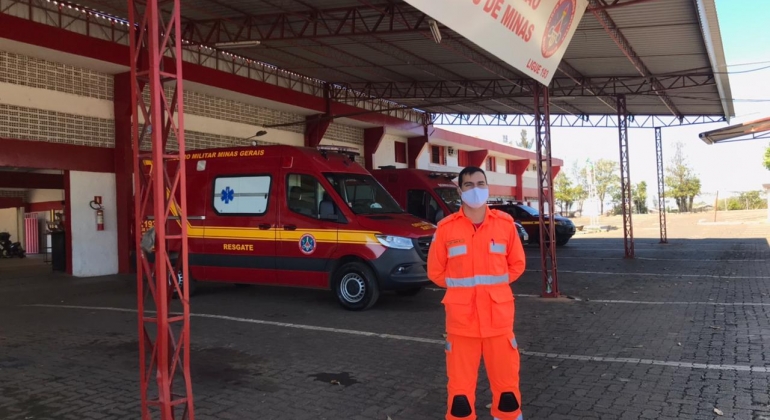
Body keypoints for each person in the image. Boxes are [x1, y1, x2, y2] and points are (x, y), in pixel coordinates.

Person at [427, 166, 526, 420]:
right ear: (460, 190)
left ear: (488, 187)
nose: (476, 189)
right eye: (469, 185)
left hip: (499, 323)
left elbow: (517, 265)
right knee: (460, 398)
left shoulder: (505, 225)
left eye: (481, 183)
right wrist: (463, 291)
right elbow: (435, 272)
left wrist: (494, 289)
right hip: (462, 326)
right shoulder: (446, 229)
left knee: (507, 395)